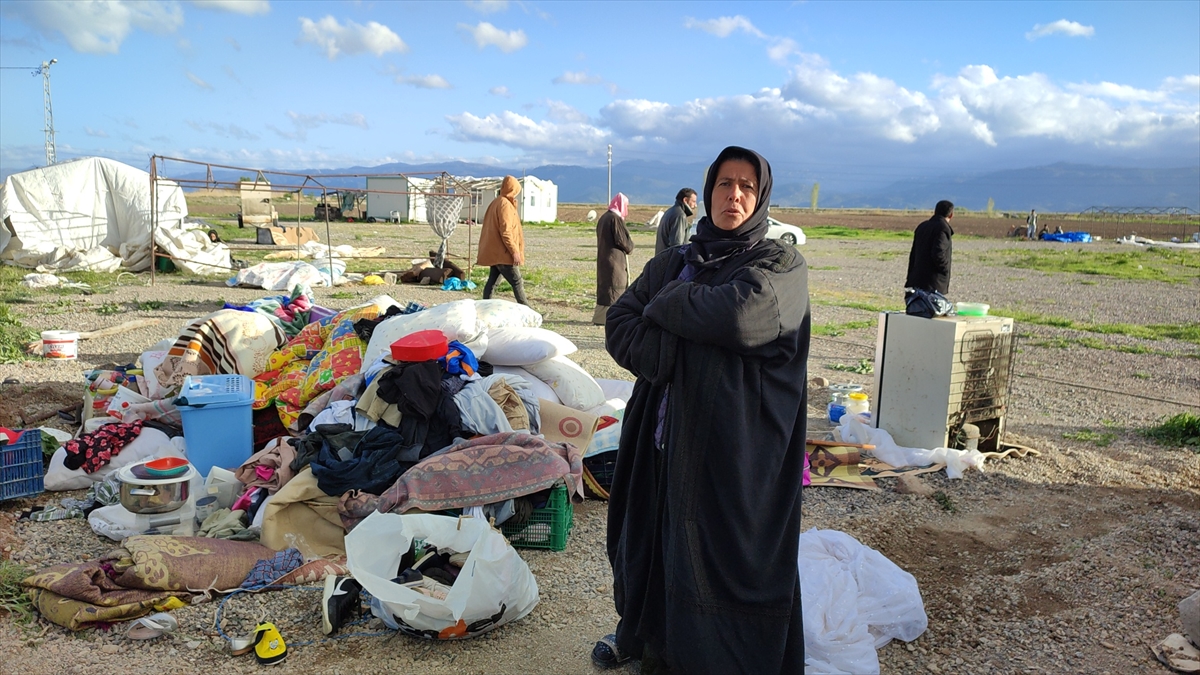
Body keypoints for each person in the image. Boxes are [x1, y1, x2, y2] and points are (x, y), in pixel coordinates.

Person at [595, 146, 810, 673]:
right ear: (709, 190)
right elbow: (620, 322)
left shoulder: (779, 264)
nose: (734, 195)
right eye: (724, 184)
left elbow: (743, 318)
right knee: (654, 542)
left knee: (721, 555)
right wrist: (676, 348)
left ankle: (716, 659)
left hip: (732, 451)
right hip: (661, 440)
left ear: (760, 198)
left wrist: (669, 304)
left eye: (747, 187)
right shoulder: (675, 261)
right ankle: (646, 639)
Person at [477, 175, 529, 305]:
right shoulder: (505, 205)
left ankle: (484, 307)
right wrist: (514, 251)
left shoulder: (496, 202)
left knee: (493, 282)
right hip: (503, 253)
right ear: (513, 189)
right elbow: (506, 232)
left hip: (496, 252)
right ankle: (528, 312)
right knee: (517, 282)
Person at [594, 193, 634, 325]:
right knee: (615, 285)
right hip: (614, 261)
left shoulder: (604, 217)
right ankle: (612, 317)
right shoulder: (615, 219)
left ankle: (601, 317)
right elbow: (623, 240)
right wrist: (630, 246)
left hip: (604, 258)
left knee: (605, 286)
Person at [905, 199, 954, 296]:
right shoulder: (943, 228)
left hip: (916, 279)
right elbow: (938, 253)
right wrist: (945, 269)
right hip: (934, 283)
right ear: (951, 215)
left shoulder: (922, 226)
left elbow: (913, 254)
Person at [654, 187, 698, 254]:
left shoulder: (671, 211)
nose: (695, 205)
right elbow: (677, 245)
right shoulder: (680, 215)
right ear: (685, 200)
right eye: (693, 201)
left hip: (662, 256)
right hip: (669, 259)